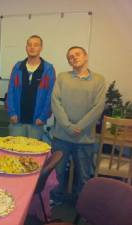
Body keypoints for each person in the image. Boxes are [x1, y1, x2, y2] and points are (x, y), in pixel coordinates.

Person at [50, 46, 106, 205]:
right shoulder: (62, 77)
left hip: (85, 139)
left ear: (86, 56)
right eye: (70, 56)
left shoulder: (99, 80)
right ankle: (55, 200)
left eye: (77, 54)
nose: (73, 57)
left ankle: (82, 204)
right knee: (57, 173)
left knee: (84, 175)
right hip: (61, 136)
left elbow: (98, 107)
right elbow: (55, 103)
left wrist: (79, 126)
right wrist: (68, 126)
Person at [7, 35, 55, 139]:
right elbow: (10, 91)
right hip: (17, 120)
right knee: (15, 150)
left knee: (33, 153)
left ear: (41, 48)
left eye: (36, 45)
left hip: (36, 122)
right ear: (26, 47)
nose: (32, 47)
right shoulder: (18, 67)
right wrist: (12, 113)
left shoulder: (48, 69)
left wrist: (43, 117)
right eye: (29, 45)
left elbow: (50, 96)